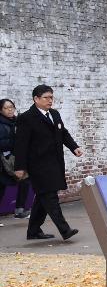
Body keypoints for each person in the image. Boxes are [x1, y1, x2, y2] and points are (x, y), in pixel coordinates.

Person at [13, 85, 82, 241]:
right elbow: (21, 144)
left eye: (51, 97)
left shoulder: (55, 114)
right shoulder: (27, 118)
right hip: (38, 164)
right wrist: (20, 167)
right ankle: (65, 230)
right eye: (46, 97)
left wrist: (74, 147)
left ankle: (33, 231)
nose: (49, 100)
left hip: (55, 161)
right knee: (50, 196)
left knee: (42, 197)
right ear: (36, 99)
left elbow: (63, 133)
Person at [1, 98, 32, 221]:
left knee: (25, 181)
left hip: (13, 159)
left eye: (11, 107)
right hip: (4, 162)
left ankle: (19, 209)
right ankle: (19, 209)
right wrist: (14, 139)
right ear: (1, 110)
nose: (10, 110)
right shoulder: (2, 125)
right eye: (6, 108)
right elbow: (3, 144)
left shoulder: (15, 122)